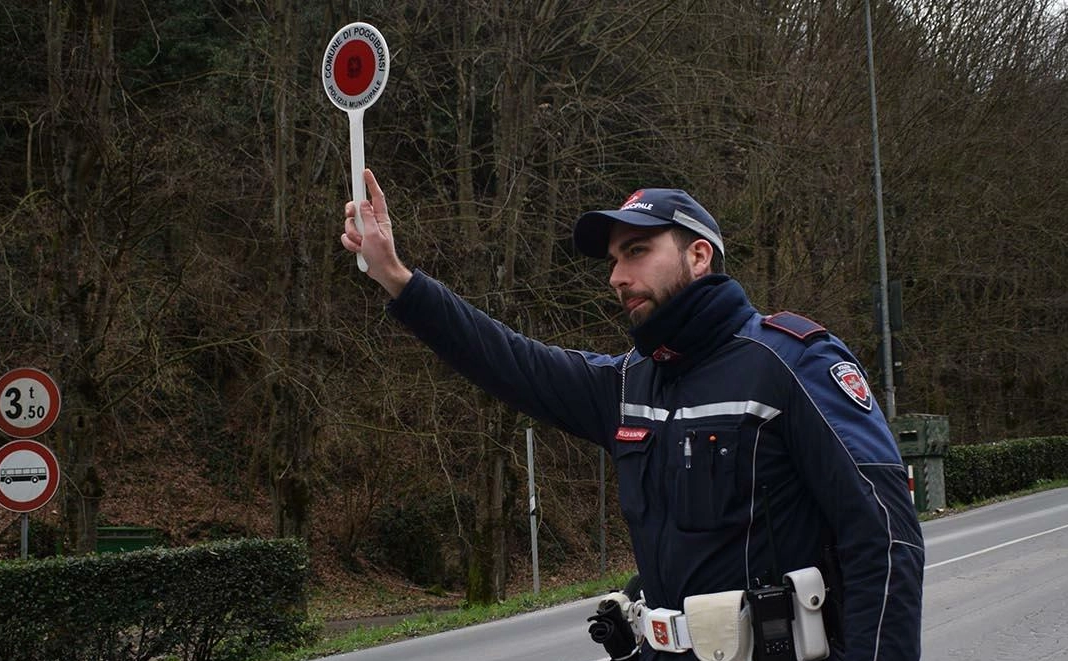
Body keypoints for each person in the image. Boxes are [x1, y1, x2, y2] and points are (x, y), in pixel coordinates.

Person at [340, 169, 924, 661]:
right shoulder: (628, 382)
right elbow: (508, 360)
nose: (618, 276)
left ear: (698, 256)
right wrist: (397, 277)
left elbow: (886, 539)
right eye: (616, 259)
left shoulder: (791, 363)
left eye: (638, 252)